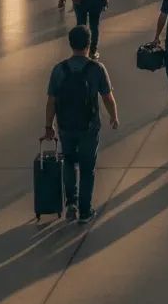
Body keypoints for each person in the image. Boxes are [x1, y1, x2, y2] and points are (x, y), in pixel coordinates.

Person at [43, 26, 118, 223]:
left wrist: (48, 126)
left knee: (68, 162)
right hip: (89, 126)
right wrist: (113, 116)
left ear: (70, 44)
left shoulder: (59, 70)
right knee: (87, 168)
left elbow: (51, 101)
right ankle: (85, 211)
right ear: (88, 44)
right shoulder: (97, 69)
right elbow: (107, 97)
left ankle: (71, 203)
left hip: (65, 125)